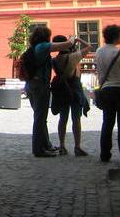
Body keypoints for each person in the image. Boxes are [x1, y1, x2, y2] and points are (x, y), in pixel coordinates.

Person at [25, 26, 78, 157]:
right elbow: (68, 44)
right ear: (46, 36)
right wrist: (73, 38)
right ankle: (38, 149)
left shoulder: (34, 48)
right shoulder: (43, 46)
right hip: (40, 85)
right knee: (39, 118)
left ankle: (46, 144)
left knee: (40, 117)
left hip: (31, 84)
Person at [50, 34, 93, 156]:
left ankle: (62, 146)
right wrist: (77, 39)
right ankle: (77, 146)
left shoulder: (54, 60)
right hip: (74, 88)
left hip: (62, 89)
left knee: (63, 118)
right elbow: (89, 47)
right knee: (76, 118)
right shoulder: (73, 56)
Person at [95, 24, 120, 164]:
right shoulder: (118, 52)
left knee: (107, 122)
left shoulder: (98, 51)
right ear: (116, 37)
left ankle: (105, 153)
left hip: (106, 90)